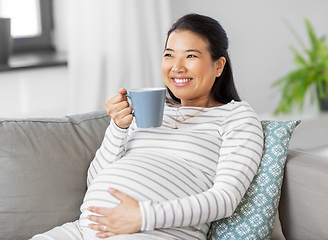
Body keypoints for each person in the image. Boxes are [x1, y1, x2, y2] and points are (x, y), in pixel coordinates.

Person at [31, 13, 264, 240]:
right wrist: (118, 128)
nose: (177, 67)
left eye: (190, 56)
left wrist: (143, 217)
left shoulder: (236, 117)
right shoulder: (148, 110)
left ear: (219, 66)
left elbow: (224, 200)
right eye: (169, 55)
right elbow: (95, 181)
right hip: (83, 229)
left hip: (155, 232)